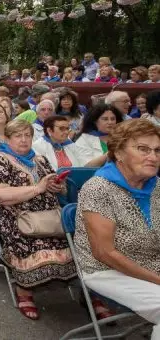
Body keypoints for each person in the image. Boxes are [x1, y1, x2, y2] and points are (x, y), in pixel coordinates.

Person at [0, 119, 90, 321]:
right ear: (7, 138)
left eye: (27, 135)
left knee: (86, 244)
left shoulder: (40, 159)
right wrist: (38, 188)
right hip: (19, 220)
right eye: (18, 136)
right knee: (41, 247)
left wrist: (57, 186)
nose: (24, 140)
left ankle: (92, 295)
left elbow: (56, 186)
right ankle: (24, 291)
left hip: (51, 217)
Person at [75, 119, 160, 336]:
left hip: (152, 262)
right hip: (107, 270)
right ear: (118, 153)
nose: (153, 156)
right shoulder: (98, 188)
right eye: (143, 149)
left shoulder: (156, 185)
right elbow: (105, 253)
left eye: (157, 150)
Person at [32, 116, 106, 170]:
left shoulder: (70, 144)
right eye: (62, 128)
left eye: (67, 128)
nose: (67, 132)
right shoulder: (38, 146)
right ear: (49, 130)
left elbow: (84, 166)